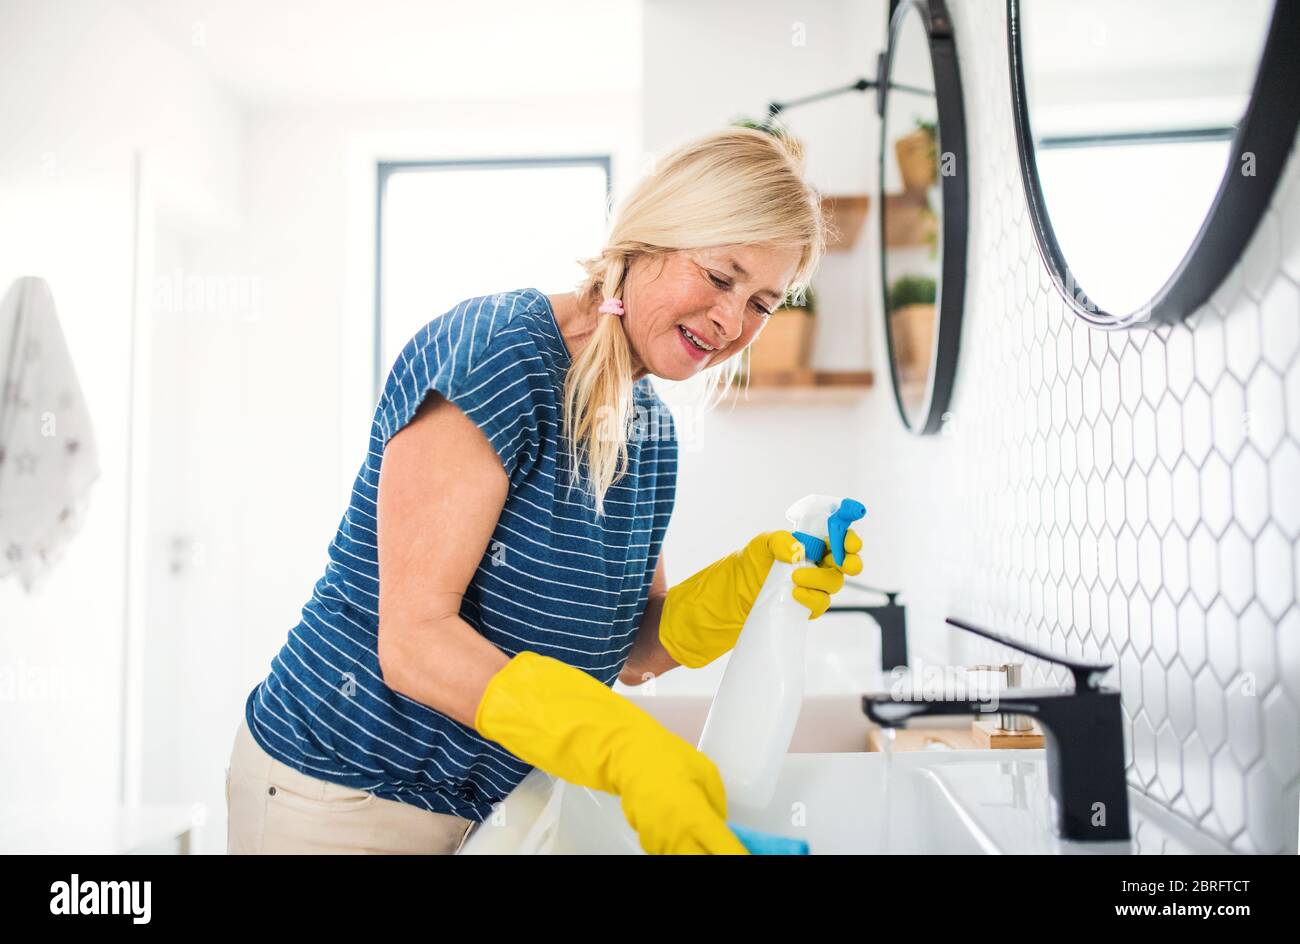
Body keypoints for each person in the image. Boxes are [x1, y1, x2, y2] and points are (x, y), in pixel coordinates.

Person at [225, 125, 862, 855]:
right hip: (339, 794)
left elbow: (629, 651)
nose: (731, 322)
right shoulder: (498, 354)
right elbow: (414, 641)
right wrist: (619, 747)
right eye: (721, 277)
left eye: (762, 304)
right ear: (650, 236)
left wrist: (747, 587)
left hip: (492, 809)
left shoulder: (648, 429)